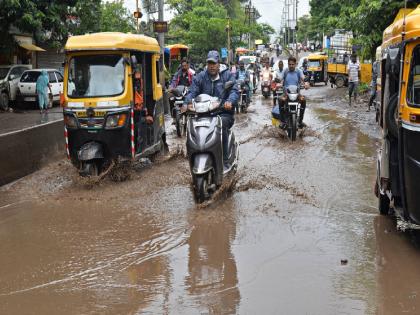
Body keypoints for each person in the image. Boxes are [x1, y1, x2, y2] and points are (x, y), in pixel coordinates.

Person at [184, 50, 239, 167]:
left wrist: (229, 101)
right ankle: (192, 157)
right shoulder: (201, 77)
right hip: (204, 114)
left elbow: (234, 91)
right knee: (191, 126)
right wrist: (186, 103)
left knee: (221, 125)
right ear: (206, 64)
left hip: (223, 113)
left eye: (214, 63)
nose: (212, 66)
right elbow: (192, 91)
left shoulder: (227, 75)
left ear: (218, 64)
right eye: (209, 63)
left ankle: (225, 161)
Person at [279, 56, 309, 128]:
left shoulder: (299, 71)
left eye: (293, 64)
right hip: (286, 94)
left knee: (303, 100)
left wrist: (306, 84)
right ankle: (283, 122)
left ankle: (300, 121)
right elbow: (280, 79)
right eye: (290, 64)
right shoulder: (285, 71)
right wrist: (277, 82)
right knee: (280, 100)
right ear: (288, 64)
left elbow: (303, 78)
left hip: (297, 94)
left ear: (295, 64)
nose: (291, 66)